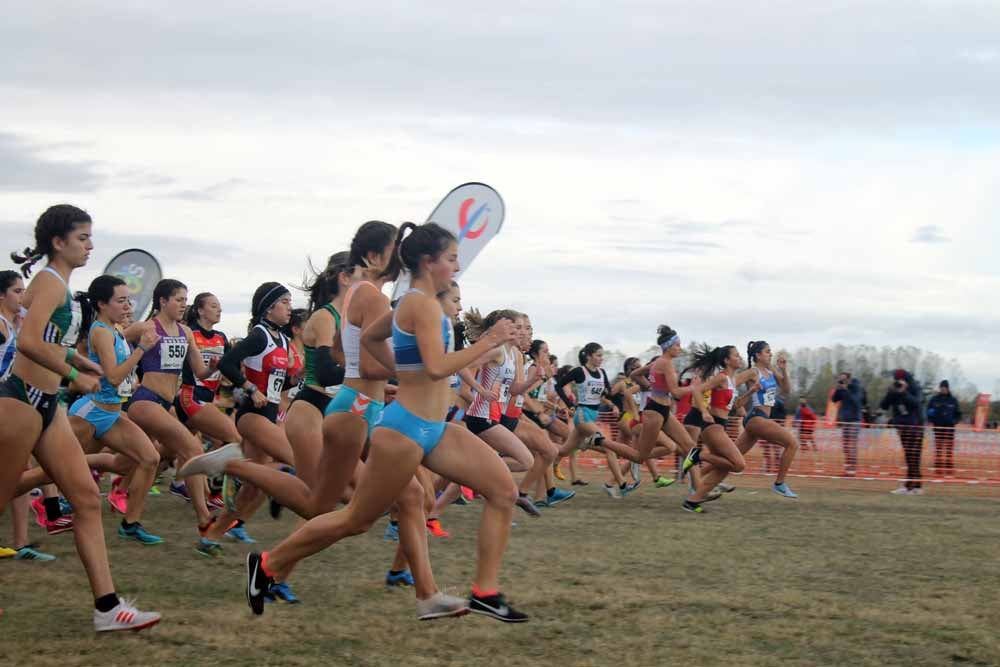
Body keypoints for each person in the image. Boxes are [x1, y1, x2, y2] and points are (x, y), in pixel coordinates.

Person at [0, 204, 160, 630]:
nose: (90, 245)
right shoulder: (51, 282)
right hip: (20, 399)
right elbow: (28, 343)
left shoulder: (57, 286)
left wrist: (76, 359)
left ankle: (108, 609)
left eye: (90, 237)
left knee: (87, 500)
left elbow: (40, 338)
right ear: (58, 242)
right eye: (82, 238)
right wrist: (74, 373)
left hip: (45, 405)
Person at [880, 369, 925, 495]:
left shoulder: (915, 388)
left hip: (915, 428)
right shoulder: (894, 391)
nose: (898, 382)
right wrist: (890, 392)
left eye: (900, 380)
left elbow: (917, 403)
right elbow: (883, 405)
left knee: (914, 457)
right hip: (902, 428)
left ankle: (916, 487)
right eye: (896, 380)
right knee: (909, 457)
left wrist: (904, 392)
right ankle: (910, 486)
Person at [832, 372, 865, 475]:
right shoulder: (842, 388)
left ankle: (852, 469)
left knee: (852, 445)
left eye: (843, 379)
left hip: (855, 420)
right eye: (840, 379)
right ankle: (847, 467)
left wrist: (845, 389)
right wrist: (838, 389)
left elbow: (856, 401)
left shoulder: (856, 387)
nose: (842, 381)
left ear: (849, 379)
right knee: (846, 445)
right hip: (845, 420)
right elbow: (834, 399)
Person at [926, 380, 961, 477]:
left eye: (945, 388)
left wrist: (954, 421)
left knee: (949, 448)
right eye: (942, 388)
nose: (943, 389)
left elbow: (958, 414)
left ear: (948, 388)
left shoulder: (953, 400)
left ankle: (949, 465)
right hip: (938, 427)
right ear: (940, 388)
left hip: (950, 428)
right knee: (939, 448)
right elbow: (929, 411)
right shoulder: (934, 399)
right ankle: (938, 466)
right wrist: (931, 420)